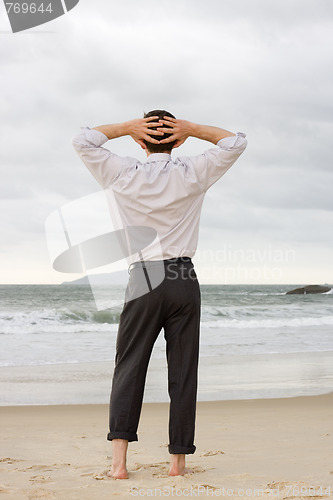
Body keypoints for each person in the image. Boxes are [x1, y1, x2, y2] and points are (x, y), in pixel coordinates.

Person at [72, 110, 247, 479]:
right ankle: (177, 463)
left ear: (140, 140)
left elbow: (82, 140)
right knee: (183, 372)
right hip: (183, 276)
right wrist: (194, 129)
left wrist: (124, 127)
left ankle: (119, 465)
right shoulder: (192, 171)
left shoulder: (122, 171)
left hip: (143, 277)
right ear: (177, 139)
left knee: (129, 367)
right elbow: (235, 142)